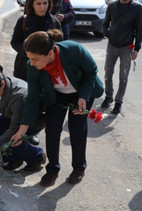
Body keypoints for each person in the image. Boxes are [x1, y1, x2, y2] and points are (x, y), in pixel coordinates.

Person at [11, 30, 104, 187]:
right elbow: (32, 98)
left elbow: (91, 71)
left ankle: (79, 168)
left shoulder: (73, 50)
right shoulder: (33, 66)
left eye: (35, 59)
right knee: (52, 129)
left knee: (77, 129)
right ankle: (52, 169)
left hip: (80, 92)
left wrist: (83, 97)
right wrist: (22, 129)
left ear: (50, 53)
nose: (31, 63)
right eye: (29, 59)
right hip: (56, 95)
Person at [0, 65, 46, 171]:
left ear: (2, 84)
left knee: (14, 139)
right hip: (12, 116)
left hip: (32, 121)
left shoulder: (18, 96)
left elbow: (15, 129)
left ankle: (37, 156)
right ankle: (13, 159)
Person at [100, 0, 142, 114]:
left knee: (123, 76)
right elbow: (105, 23)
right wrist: (109, 34)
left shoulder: (137, 8)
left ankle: (119, 101)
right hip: (112, 45)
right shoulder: (112, 6)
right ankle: (108, 96)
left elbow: (139, 29)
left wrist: (136, 48)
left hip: (127, 47)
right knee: (107, 73)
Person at [11, 0, 61, 81]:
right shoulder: (23, 21)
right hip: (25, 68)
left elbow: (60, 45)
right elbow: (15, 42)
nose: (42, 7)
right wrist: (29, 54)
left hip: (48, 70)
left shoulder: (55, 22)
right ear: (32, 4)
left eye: (45, 3)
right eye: (38, 4)